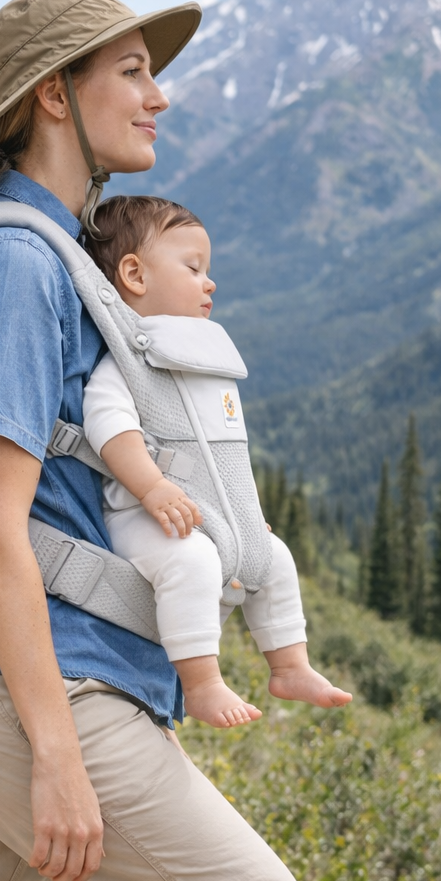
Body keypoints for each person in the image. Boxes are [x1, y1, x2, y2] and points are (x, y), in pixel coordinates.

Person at [0, 0, 312, 881]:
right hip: (27, 683)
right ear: (53, 95)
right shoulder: (15, 268)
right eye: (131, 71)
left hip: (15, 673)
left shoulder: (57, 257)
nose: (158, 96)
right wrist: (57, 753)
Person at [80, 195, 352, 729]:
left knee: (274, 558)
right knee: (194, 564)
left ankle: (290, 666)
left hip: (209, 514)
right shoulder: (129, 365)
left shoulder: (203, 361)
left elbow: (223, 458)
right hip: (143, 515)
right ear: (134, 275)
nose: (210, 283)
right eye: (193, 268)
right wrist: (152, 488)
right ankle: (201, 683)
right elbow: (111, 429)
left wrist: (244, 515)